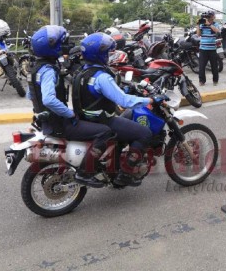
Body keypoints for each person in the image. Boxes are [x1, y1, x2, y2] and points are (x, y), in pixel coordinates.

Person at [72, 32, 168, 187]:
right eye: (107, 52)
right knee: (144, 133)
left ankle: (116, 165)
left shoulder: (81, 72)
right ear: (99, 55)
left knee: (128, 118)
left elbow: (101, 93)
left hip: (87, 119)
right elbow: (123, 100)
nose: (110, 55)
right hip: (103, 120)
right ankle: (126, 173)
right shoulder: (102, 77)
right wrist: (148, 99)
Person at [27, 25, 114, 188]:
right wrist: (69, 114)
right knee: (105, 131)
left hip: (46, 121)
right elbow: (49, 100)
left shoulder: (35, 68)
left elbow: (31, 95)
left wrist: (42, 113)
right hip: (59, 124)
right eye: (61, 43)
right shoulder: (48, 71)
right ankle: (84, 172)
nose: (64, 46)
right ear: (51, 47)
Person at [196, 10, 221, 86]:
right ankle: (202, 81)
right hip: (203, 49)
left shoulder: (215, 24)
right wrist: (197, 25)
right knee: (202, 66)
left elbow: (217, 31)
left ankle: (215, 80)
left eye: (209, 16)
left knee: (214, 66)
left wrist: (209, 24)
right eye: (207, 16)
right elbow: (198, 34)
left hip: (212, 49)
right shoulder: (202, 24)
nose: (208, 17)